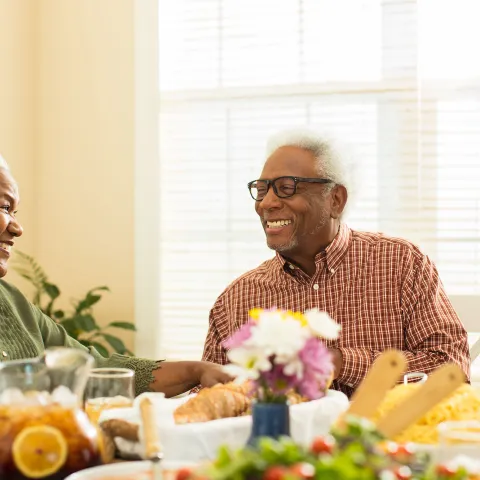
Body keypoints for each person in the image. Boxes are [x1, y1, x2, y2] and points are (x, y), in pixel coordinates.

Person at [201, 128, 470, 398]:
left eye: (286, 188)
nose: (266, 203)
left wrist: (341, 363)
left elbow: (452, 371)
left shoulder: (402, 264)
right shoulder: (236, 299)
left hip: (387, 437)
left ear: (336, 200)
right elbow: (210, 403)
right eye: (261, 190)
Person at [0, 161, 231, 397]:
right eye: (5, 207)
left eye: (14, 212)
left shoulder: (12, 303)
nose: (18, 228)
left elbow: (95, 370)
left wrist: (197, 370)